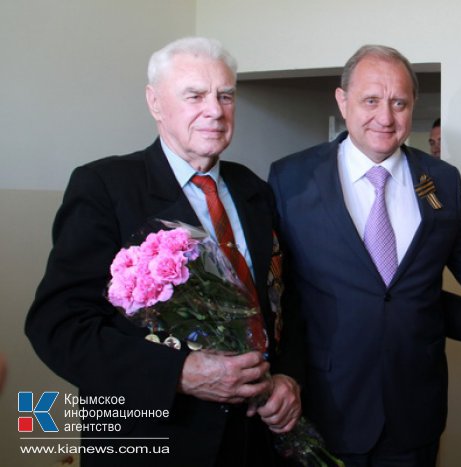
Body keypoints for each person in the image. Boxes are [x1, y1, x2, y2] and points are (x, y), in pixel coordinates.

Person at [25, 37, 303, 467]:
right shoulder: (105, 187)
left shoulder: (254, 190)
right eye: (195, 96)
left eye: (225, 96)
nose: (215, 111)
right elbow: (59, 326)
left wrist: (288, 378)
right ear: (155, 103)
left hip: (254, 440)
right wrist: (179, 374)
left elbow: (285, 304)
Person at [268, 44, 461, 466]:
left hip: (415, 408)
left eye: (399, 103)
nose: (385, 118)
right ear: (342, 100)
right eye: (370, 100)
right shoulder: (291, 178)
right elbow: (277, 291)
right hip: (326, 405)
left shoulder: (441, 179)